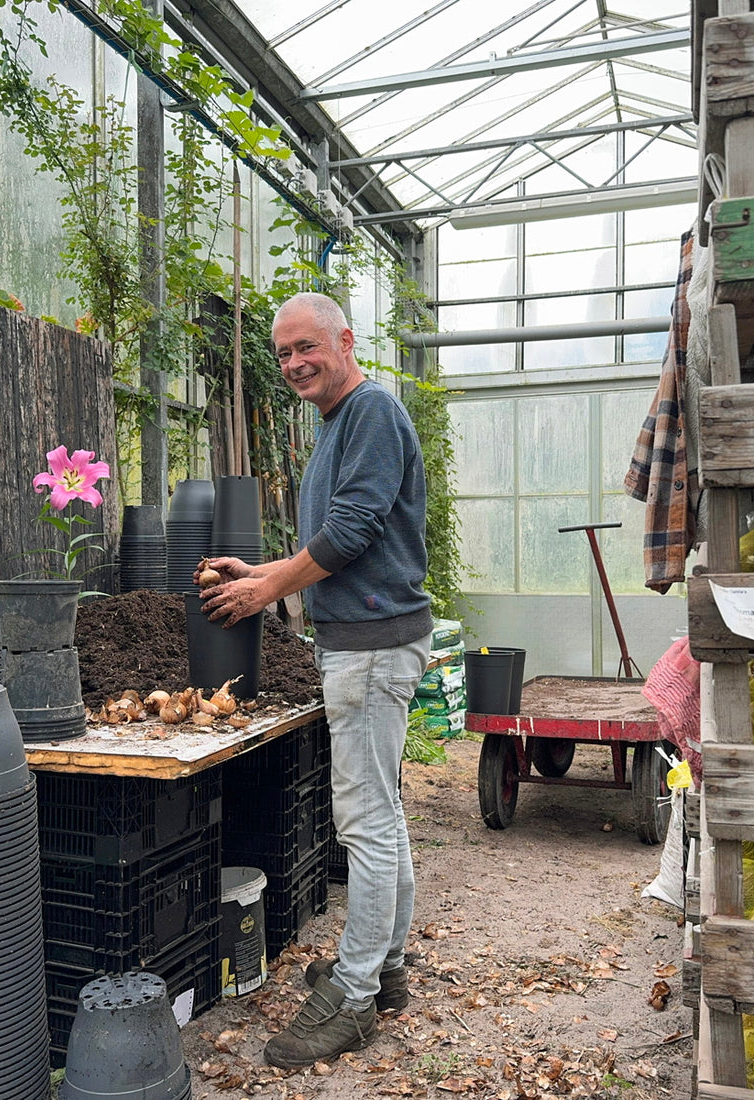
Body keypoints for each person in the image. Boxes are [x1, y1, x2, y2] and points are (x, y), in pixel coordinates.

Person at [196, 291, 433, 1067]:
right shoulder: (341, 423)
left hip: (369, 647)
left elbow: (354, 530)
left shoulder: (370, 413)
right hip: (363, 640)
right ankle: (384, 970)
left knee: (365, 823)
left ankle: (358, 995)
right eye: (284, 353)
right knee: (382, 816)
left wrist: (269, 590)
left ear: (345, 341)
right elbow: (340, 542)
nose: (296, 363)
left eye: (307, 347)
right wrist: (262, 572)